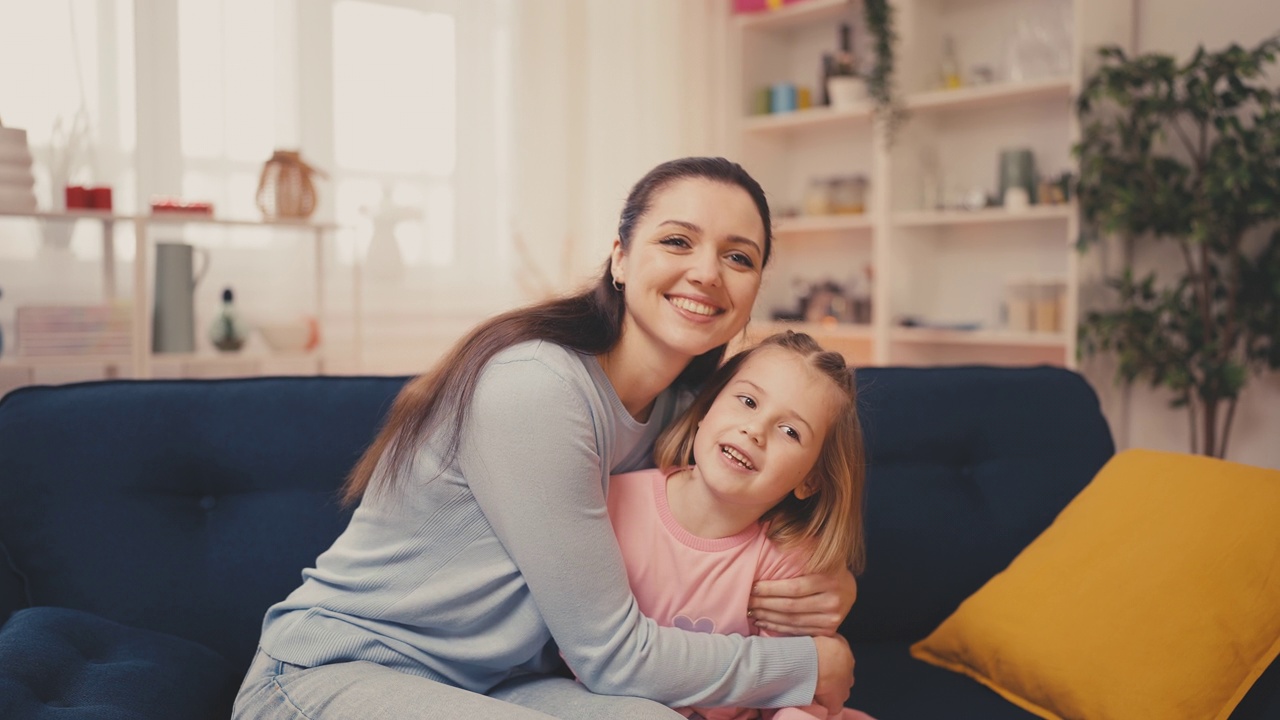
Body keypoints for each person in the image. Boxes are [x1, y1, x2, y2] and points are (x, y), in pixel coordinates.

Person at [233, 157, 858, 720]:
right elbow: (613, 656)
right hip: (333, 676)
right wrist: (809, 666)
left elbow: (738, 533)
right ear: (620, 257)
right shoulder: (536, 387)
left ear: (753, 292)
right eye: (677, 241)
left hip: (495, 683)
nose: (706, 273)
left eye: (738, 257)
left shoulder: (690, 418)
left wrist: (826, 589)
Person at [608, 331, 874, 720]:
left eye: (790, 432)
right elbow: (586, 650)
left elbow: (800, 696)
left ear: (811, 480)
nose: (755, 430)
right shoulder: (614, 504)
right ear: (705, 411)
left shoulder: (788, 565)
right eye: (748, 401)